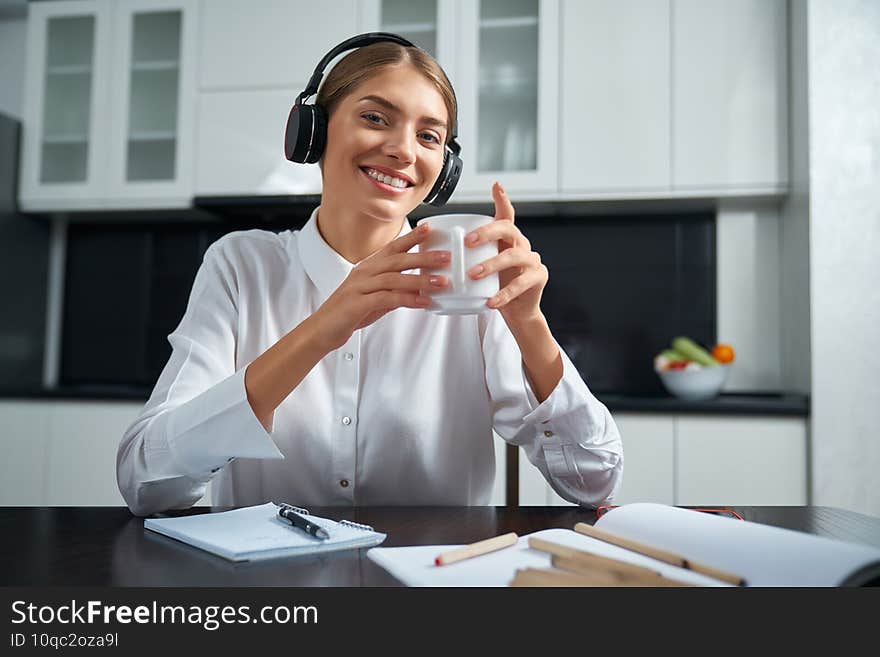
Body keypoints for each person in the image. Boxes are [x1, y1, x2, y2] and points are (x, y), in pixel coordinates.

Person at [117, 35, 623, 516]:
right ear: (313, 131)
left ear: (442, 166)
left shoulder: (468, 287)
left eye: (428, 136)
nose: (404, 150)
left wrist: (529, 324)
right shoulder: (241, 266)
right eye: (376, 118)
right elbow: (147, 482)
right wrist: (323, 329)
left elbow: (594, 481)